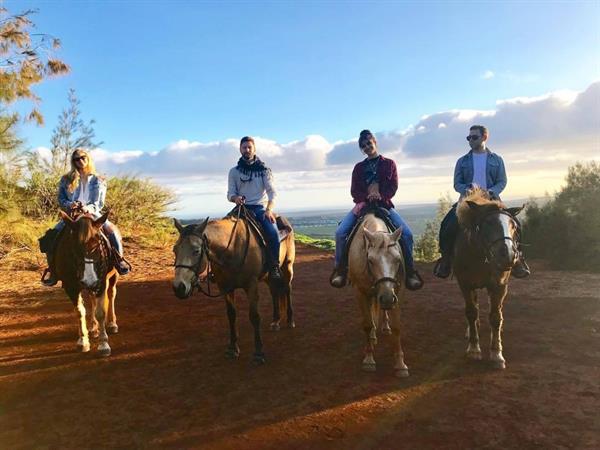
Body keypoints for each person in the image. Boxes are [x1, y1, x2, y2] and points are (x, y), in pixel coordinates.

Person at [330, 129, 423, 291]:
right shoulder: (358, 168)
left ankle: (410, 272)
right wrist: (366, 198)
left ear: (375, 143)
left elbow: (393, 186)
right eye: (363, 146)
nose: (367, 147)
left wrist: (380, 196)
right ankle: (340, 270)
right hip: (363, 206)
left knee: (407, 234)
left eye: (369, 143)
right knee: (340, 232)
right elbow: (354, 190)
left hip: (383, 205)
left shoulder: (389, 164)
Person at [433, 125, 531, 279]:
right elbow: (457, 183)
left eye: (474, 137)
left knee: (516, 224)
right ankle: (445, 260)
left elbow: (502, 181)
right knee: (447, 224)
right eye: (468, 138)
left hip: (492, 202)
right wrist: (467, 189)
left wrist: (492, 191)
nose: (470, 140)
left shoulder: (497, 160)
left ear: (485, 137)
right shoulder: (462, 161)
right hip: (467, 202)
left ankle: (518, 260)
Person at [42, 148, 130, 286]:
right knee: (51, 236)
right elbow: (61, 199)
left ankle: (120, 261)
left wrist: (86, 208)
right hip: (73, 215)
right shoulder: (66, 179)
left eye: (83, 157)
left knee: (112, 231)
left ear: (88, 158)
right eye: (76, 159)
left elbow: (98, 203)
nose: (80, 161)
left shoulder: (98, 179)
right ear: (73, 161)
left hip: (92, 214)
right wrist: (71, 205)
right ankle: (52, 270)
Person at [227, 136, 282, 281]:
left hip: (259, 208)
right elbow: (230, 193)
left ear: (254, 149)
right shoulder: (234, 172)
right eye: (244, 147)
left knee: (273, 233)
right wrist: (235, 198)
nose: (247, 150)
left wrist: (269, 210)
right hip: (241, 208)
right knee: (223, 232)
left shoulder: (264, 170)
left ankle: (274, 266)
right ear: (240, 149)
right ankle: (220, 269)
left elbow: (272, 193)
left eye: (249, 147)